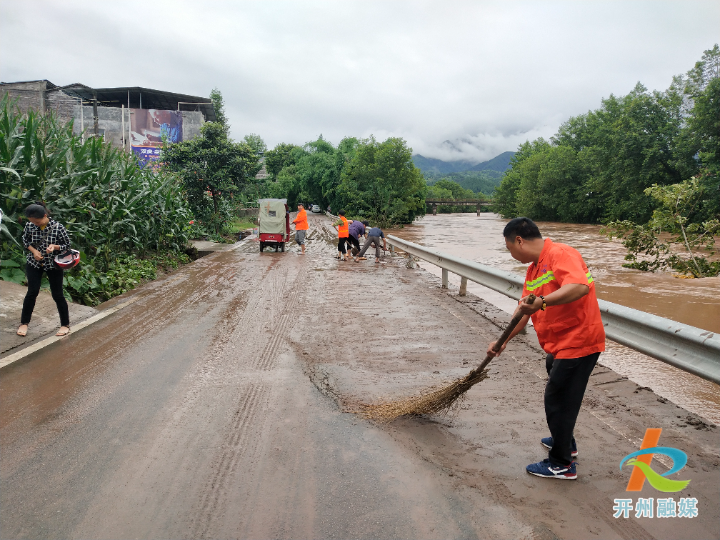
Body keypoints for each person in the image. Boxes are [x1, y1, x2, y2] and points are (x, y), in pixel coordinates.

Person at [486, 217, 605, 481]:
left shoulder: (561, 254)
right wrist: (502, 340)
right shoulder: (534, 270)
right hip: (559, 344)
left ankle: (562, 464)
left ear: (519, 240)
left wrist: (542, 302)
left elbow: (579, 287)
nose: (512, 255)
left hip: (579, 341)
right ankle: (565, 442)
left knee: (557, 399)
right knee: (555, 380)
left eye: (509, 248)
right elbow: (523, 311)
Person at [17, 202, 72, 337]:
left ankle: (65, 324)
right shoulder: (30, 225)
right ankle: (24, 323)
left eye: (37, 221)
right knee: (32, 292)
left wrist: (54, 247)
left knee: (57, 294)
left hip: (53, 264)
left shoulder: (58, 228)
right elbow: (25, 241)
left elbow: (67, 245)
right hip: (34, 263)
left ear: (45, 216)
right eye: (32, 221)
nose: (34, 224)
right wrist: (34, 251)